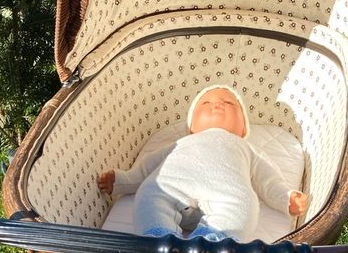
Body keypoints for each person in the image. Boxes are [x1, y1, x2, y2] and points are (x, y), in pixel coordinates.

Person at [97, 85, 308, 242]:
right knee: (149, 194)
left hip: (226, 193)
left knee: (244, 204)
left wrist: (285, 197)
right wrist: (123, 181)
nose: (217, 104)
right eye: (206, 103)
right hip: (172, 185)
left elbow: (267, 178)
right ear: (191, 127)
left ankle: (212, 240)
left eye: (229, 103)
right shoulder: (181, 142)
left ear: (243, 128)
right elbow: (147, 167)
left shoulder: (245, 147)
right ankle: (158, 237)